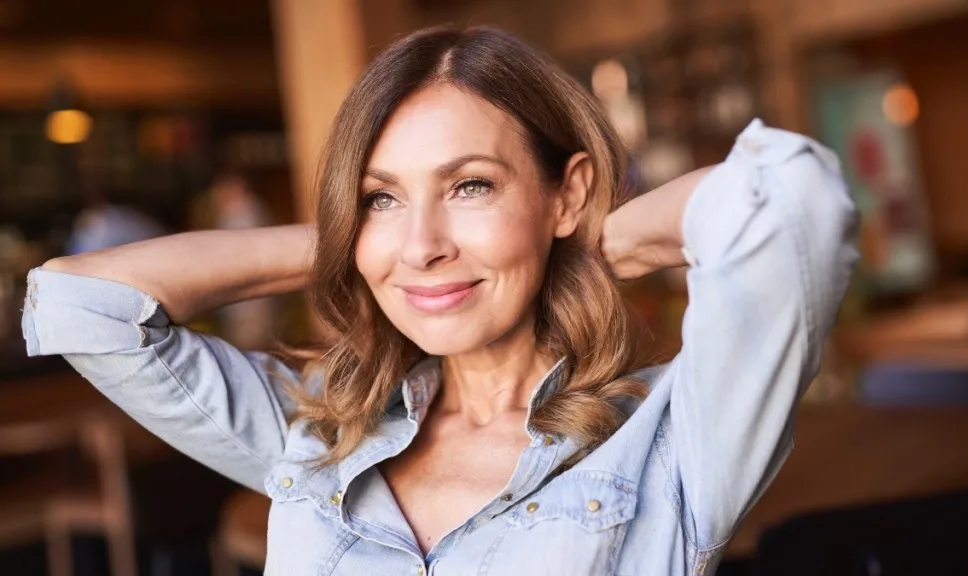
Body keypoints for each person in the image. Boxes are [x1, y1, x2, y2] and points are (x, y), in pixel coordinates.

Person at [22, 27, 858, 576]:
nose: (423, 242)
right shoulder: (314, 429)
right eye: (383, 195)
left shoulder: (672, 439)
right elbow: (78, 303)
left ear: (567, 194)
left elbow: (789, 197)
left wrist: (606, 242)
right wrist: (353, 247)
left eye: (470, 185)